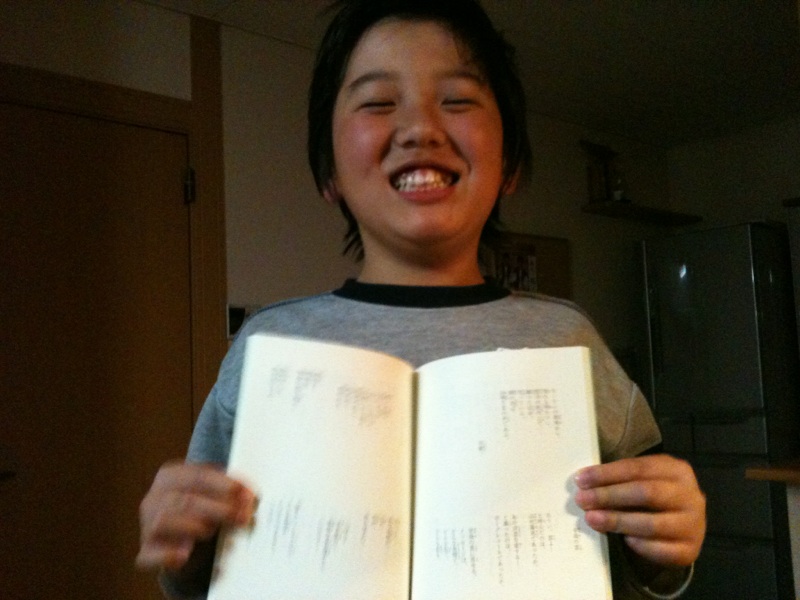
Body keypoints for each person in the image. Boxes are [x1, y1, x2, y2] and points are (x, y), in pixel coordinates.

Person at [136, 1, 706, 598]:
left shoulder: (567, 338)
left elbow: (644, 544)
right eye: (378, 103)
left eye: (457, 100)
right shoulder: (269, 346)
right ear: (329, 171)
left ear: (509, 163)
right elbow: (203, 562)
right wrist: (182, 549)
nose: (420, 128)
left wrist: (666, 546)